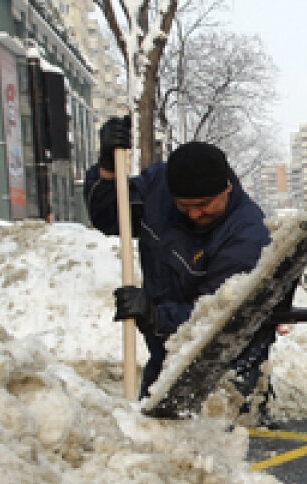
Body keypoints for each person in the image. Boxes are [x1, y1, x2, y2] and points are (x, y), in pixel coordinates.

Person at [83, 116, 274, 418]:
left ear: (226, 188)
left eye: (204, 205)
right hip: (167, 355)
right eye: (185, 206)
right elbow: (110, 216)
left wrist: (154, 315)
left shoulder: (247, 235)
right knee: (154, 437)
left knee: (224, 442)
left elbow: (216, 318)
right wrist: (108, 167)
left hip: (227, 365)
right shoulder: (158, 189)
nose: (195, 214)